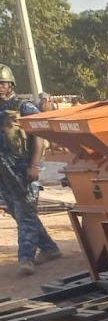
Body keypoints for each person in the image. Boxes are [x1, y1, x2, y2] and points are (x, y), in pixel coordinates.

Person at [0, 65, 61, 275]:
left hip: (24, 169)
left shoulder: (23, 106)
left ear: (10, 85)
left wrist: (34, 165)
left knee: (25, 213)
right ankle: (50, 249)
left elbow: (39, 135)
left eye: (2, 83)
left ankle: (26, 259)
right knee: (20, 214)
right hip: (4, 172)